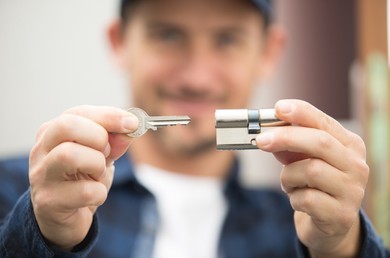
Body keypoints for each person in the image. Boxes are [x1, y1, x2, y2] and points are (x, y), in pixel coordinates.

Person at [0, 0, 389, 257]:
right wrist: (43, 233)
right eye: (168, 34)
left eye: (227, 39)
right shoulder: (21, 193)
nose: (197, 78)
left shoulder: (304, 224)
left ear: (268, 52)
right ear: (120, 43)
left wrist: (343, 247)